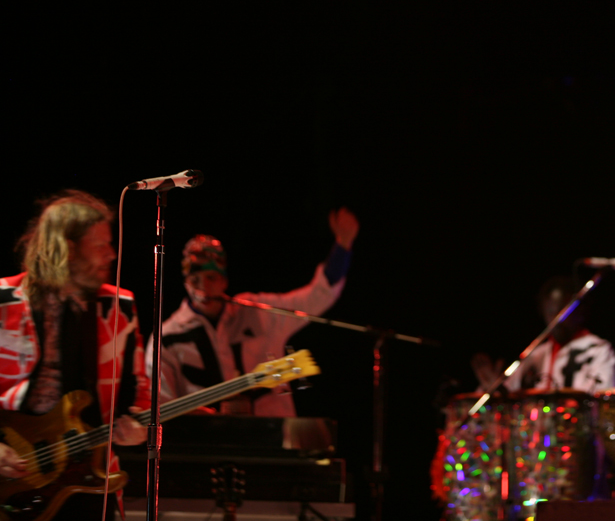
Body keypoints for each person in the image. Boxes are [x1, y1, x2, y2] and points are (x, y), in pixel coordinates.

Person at [0, 190, 150, 519]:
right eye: (100, 245)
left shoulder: (119, 307)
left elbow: (140, 390)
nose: (112, 254)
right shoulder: (3, 302)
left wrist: (141, 429)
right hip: (12, 484)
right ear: (66, 247)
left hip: (91, 483)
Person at [150, 207, 358, 416]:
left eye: (211, 278)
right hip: (203, 437)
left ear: (224, 281)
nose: (203, 288)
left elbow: (315, 297)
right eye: (195, 280)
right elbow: (158, 408)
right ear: (185, 284)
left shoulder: (258, 312)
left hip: (272, 433)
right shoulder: (166, 337)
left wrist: (343, 245)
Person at [472, 276, 615, 393]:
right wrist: (497, 391)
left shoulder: (598, 350)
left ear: (579, 311)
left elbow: (601, 400)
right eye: (550, 312)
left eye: (562, 311)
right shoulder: (536, 355)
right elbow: (512, 399)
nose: (557, 319)